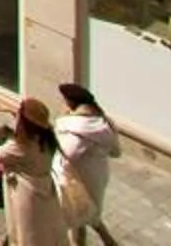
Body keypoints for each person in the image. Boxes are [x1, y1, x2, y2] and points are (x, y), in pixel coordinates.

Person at [0, 102, 70, 246]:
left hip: (26, 194)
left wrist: (0, 138)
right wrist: (11, 111)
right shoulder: (46, 138)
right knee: (46, 229)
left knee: (26, 232)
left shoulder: (20, 147)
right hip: (45, 189)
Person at [52, 83, 120, 245]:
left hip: (79, 178)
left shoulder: (76, 128)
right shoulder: (104, 122)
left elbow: (68, 154)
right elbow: (116, 152)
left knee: (80, 214)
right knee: (86, 216)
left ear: (71, 103)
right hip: (98, 175)